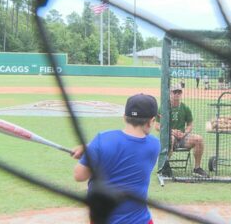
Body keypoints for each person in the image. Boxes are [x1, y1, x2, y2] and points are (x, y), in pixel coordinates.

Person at [72, 94, 160, 224]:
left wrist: (90, 150)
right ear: (151, 121)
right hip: (141, 220)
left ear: (124, 117)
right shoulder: (154, 144)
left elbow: (79, 176)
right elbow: (128, 147)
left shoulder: (101, 140)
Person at [156, 84, 209, 178]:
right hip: (170, 137)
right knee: (171, 139)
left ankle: (197, 169)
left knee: (198, 139)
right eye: (174, 92)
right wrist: (170, 131)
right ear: (170, 93)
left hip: (182, 138)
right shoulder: (163, 108)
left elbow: (190, 124)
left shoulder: (185, 108)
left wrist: (184, 133)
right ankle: (164, 166)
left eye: (179, 92)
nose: (177, 94)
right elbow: (157, 126)